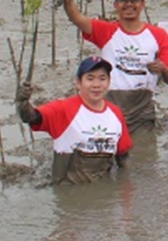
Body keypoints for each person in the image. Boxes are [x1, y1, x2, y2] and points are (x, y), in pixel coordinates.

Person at [56, 0, 168, 132]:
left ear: (142, 4)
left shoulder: (158, 35)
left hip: (143, 112)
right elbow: (76, 17)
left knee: (144, 155)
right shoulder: (107, 31)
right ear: (116, 5)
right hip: (110, 108)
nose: (129, 4)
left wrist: (162, 69)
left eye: (134, 0)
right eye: (124, 0)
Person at [15, 55, 133, 185]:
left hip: (104, 192)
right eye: (90, 78)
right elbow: (31, 117)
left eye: (102, 79)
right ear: (78, 82)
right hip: (69, 192)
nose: (96, 85)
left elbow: (123, 158)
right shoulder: (63, 109)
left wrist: (126, 189)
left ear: (109, 82)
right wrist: (22, 103)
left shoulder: (115, 113)